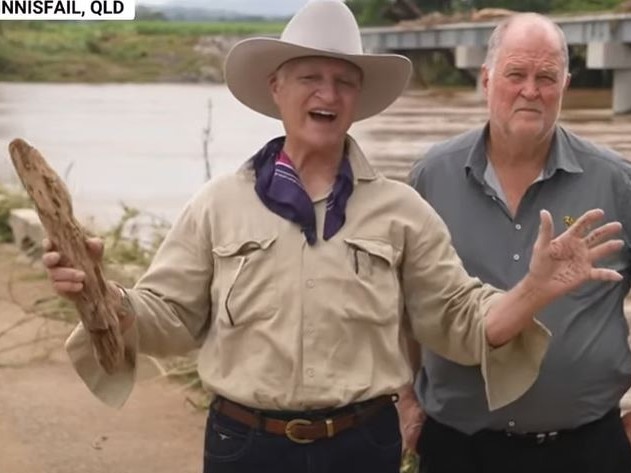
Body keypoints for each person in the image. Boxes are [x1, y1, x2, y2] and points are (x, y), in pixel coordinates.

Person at [43, 3, 622, 473]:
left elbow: (462, 319)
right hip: (244, 445)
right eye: (309, 77)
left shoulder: (402, 210)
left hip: (361, 446)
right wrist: (103, 296)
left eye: (343, 81)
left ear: (358, 101)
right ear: (276, 87)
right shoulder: (218, 203)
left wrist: (537, 289)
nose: (327, 93)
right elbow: (168, 317)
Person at [403, 12, 631, 473]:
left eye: (546, 77)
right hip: (457, 448)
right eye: (516, 74)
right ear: (486, 80)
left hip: (588, 448)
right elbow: (402, 308)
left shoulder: (617, 184)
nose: (531, 90)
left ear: (565, 84)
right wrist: (405, 397)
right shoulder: (431, 178)